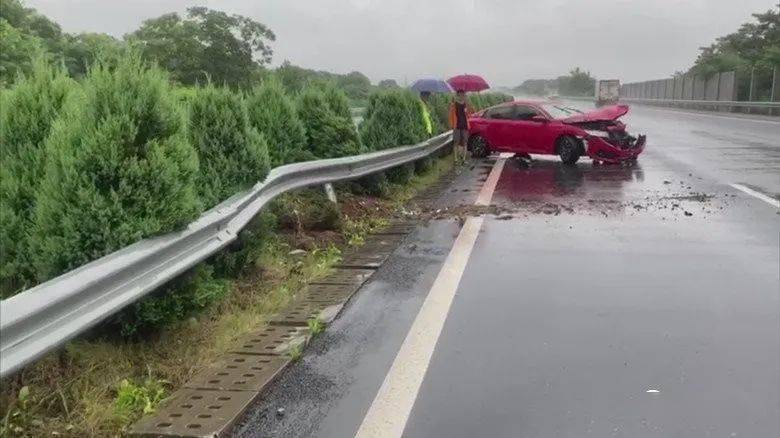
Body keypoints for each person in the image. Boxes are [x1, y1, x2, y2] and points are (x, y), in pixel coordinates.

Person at [448, 90, 472, 164]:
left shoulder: (466, 104)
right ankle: (456, 159)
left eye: (463, 94)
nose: (461, 96)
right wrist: (451, 125)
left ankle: (463, 159)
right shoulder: (454, 105)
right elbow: (450, 115)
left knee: (465, 142)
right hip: (457, 126)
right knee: (456, 142)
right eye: (460, 94)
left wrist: (468, 104)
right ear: (457, 95)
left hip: (465, 125)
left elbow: (470, 114)